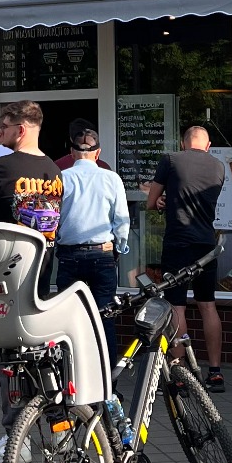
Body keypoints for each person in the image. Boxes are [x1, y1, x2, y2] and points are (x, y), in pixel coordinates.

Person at [0, 101, 63, 463]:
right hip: (41, 277)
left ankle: (16, 440)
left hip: (2, 279)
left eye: (2, 127)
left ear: (20, 129)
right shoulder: (55, 171)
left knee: (4, 359)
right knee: (42, 357)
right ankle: (58, 433)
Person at [145, 124, 227, 390]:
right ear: (208, 145)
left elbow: (151, 202)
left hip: (178, 242)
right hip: (206, 243)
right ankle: (215, 371)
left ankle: (180, 373)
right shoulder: (218, 167)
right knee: (208, 305)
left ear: (183, 143)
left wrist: (161, 202)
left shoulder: (170, 160)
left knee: (178, 306)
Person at [55, 124, 131, 360]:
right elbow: (121, 220)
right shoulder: (111, 178)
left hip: (69, 255)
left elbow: (51, 217)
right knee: (104, 318)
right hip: (102, 255)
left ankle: (70, 377)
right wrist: (119, 247)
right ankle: (108, 382)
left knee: (67, 320)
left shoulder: (62, 178)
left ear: (71, 152)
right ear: (98, 153)